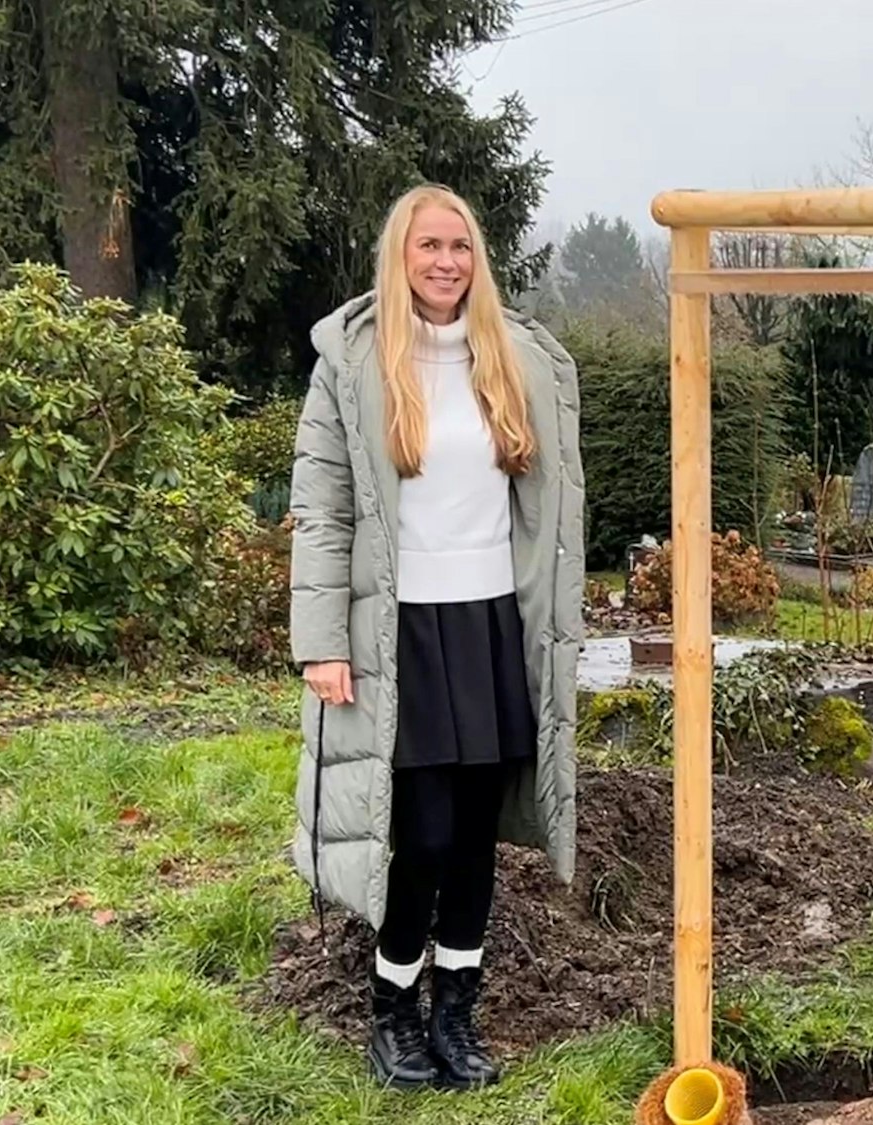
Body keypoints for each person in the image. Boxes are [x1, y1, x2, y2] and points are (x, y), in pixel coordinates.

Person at [288, 183, 586, 1092]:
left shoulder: (520, 358)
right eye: (429, 246)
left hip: (492, 625)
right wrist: (322, 641)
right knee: (420, 837)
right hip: (402, 631)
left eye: (460, 246)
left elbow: (553, 511)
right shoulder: (350, 362)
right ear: (401, 255)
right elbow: (322, 511)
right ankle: (393, 1013)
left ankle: (456, 1014)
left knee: (474, 841)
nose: (446, 262)